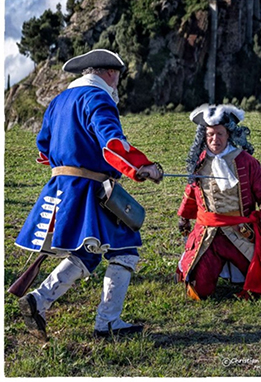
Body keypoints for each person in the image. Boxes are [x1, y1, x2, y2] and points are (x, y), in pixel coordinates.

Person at [15, 49, 163, 341]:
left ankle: (39, 300)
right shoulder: (99, 98)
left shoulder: (57, 102)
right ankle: (108, 324)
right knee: (125, 249)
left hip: (62, 187)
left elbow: (43, 147)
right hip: (91, 189)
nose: (117, 83)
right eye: (117, 76)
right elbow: (112, 144)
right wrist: (143, 167)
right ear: (109, 73)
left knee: (88, 252)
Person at [175, 103, 261, 300]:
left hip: (241, 234)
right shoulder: (199, 162)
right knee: (198, 291)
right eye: (210, 134)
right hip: (208, 236)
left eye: (219, 134)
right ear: (204, 136)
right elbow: (192, 191)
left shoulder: (246, 162)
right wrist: (184, 217)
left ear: (229, 135)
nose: (214, 139)